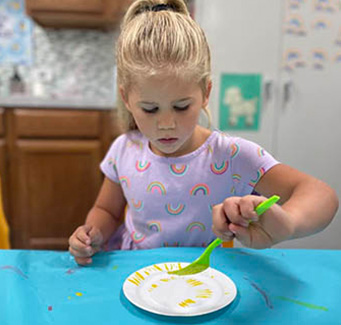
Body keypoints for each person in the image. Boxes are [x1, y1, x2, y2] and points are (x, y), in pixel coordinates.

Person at [68, 0, 339, 265]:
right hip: (135, 272)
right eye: (150, 109)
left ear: (205, 93)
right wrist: (93, 233)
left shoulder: (231, 155)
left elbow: (321, 195)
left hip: (205, 281)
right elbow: (107, 211)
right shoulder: (124, 149)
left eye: (181, 106)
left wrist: (288, 223)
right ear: (126, 98)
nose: (166, 123)